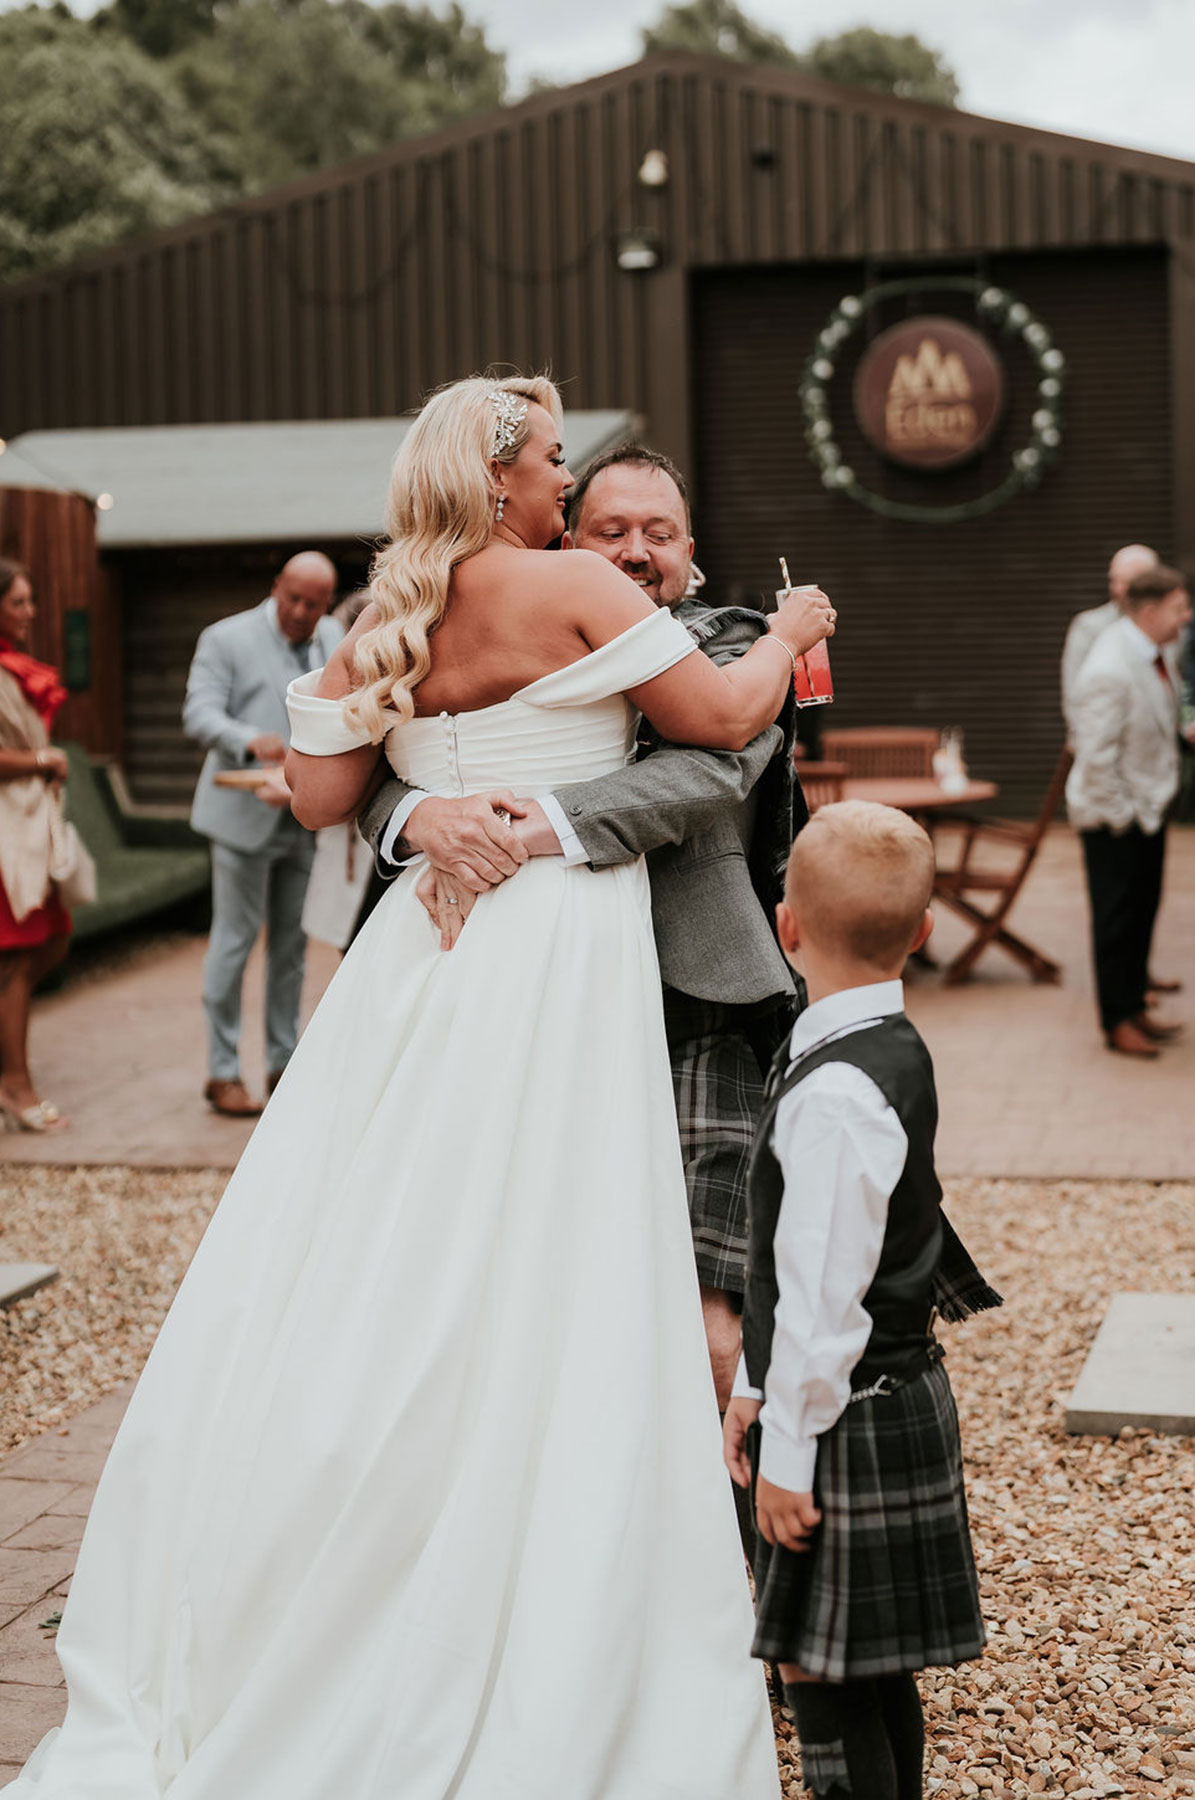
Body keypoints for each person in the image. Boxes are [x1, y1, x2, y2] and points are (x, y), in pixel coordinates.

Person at [11, 373, 836, 1799]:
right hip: (555, 952)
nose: (571, 492)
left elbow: (321, 792)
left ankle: (368, 1526)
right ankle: (545, 1556)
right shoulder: (570, 582)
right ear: (503, 476)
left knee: (390, 1238)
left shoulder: (382, 618)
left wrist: (423, 797)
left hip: (418, 965)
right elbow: (716, 713)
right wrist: (802, 632)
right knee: (557, 1245)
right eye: (558, 466)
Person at [359, 443, 809, 1411]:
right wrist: (417, 815)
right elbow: (380, 751)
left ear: (692, 551)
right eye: (610, 531)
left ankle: (719, 1523)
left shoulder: (733, 639)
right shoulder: (494, 619)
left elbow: (715, 767)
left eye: (658, 533)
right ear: (568, 537)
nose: (636, 552)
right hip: (506, 983)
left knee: (703, 1293)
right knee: (515, 1256)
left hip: (692, 986)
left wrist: (527, 827)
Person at [723, 801, 999, 1800]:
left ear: (786, 927)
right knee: (871, 1660)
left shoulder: (835, 1094)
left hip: (846, 1416)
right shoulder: (878, 1042)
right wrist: (752, 1380)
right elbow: (798, 1271)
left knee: (819, 1671)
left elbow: (822, 1301)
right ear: (924, 934)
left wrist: (786, 1455)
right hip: (869, 1399)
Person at [183, 550, 342, 1115]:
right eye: (293, 598)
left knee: (293, 949)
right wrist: (250, 739)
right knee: (233, 941)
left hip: (304, 814)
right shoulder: (225, 638)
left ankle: (283, 1065)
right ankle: (222, 1072)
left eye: (314, 604)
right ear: (276, 587)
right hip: (240, 816)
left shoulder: (335, 635)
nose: (301, 612)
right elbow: (198, 714)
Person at [1066, 563, 1195, 1058]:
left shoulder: (1153, 652)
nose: (1187, 618)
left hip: (1149, 810)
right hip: (1115, 821)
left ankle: (1135, 1007)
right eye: (1179, 608)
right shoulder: (1108, 668)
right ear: (1149, 610)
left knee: (1142, 915)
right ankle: (1116, 1021)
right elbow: (1096, 759)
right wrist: (1125, 819)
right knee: (1116, 922)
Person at [0, 559, 72, 1133]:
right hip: (5, 833)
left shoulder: (13, 666)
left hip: (27, 825)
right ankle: (17, 1085)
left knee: (50, 943)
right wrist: (43, 759)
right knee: (18, 955)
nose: (30, 612)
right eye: (19, 601)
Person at [1060, 543, 1157, 739]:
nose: (1118, 589)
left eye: (1128, 582)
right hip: (1105, 743)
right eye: (1114, 580)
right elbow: (1074, 697)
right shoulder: (1089, 627)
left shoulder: (1173, 630)